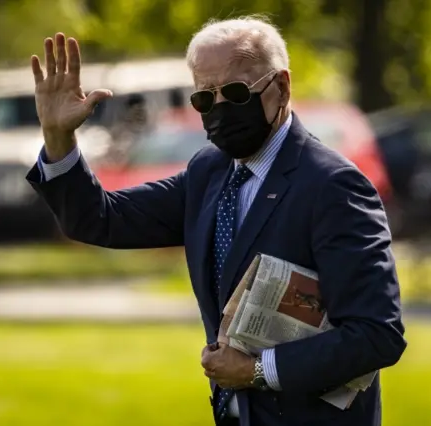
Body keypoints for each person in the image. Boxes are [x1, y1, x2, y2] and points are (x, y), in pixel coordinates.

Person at [26, 16, 406, 426]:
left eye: (237, 92)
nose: (220, 107)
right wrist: (58, 137)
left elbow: (376, 334)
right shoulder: (210, 170)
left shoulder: (332, 186)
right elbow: (101, 219)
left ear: (282, 86)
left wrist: (258, 369)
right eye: (205, 98)